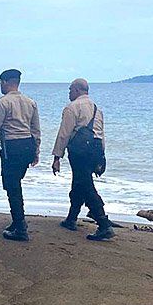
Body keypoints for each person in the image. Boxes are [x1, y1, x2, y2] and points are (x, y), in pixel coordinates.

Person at [0, 69, 41, 242]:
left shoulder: (3, 102)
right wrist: (36, 151)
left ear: (5, 82)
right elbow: (36, 130)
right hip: (27, 145)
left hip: (12, 146)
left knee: (12, 186)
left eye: (0, 83)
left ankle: (20, 227)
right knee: (15, 183)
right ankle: (17, 221)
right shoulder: (30, 102)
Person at [52, 78, 114, 242]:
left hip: (80, 151)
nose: (69, 93)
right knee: (79, 182)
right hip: (95, 150)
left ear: (78, 90)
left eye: (70, 90)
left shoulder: (72, 108)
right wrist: (102, 158)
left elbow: (64, 134)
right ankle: (71, 218)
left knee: (85, 185)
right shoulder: (96, 109)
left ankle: (103, 222)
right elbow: (101, 135)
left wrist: (57, 157)